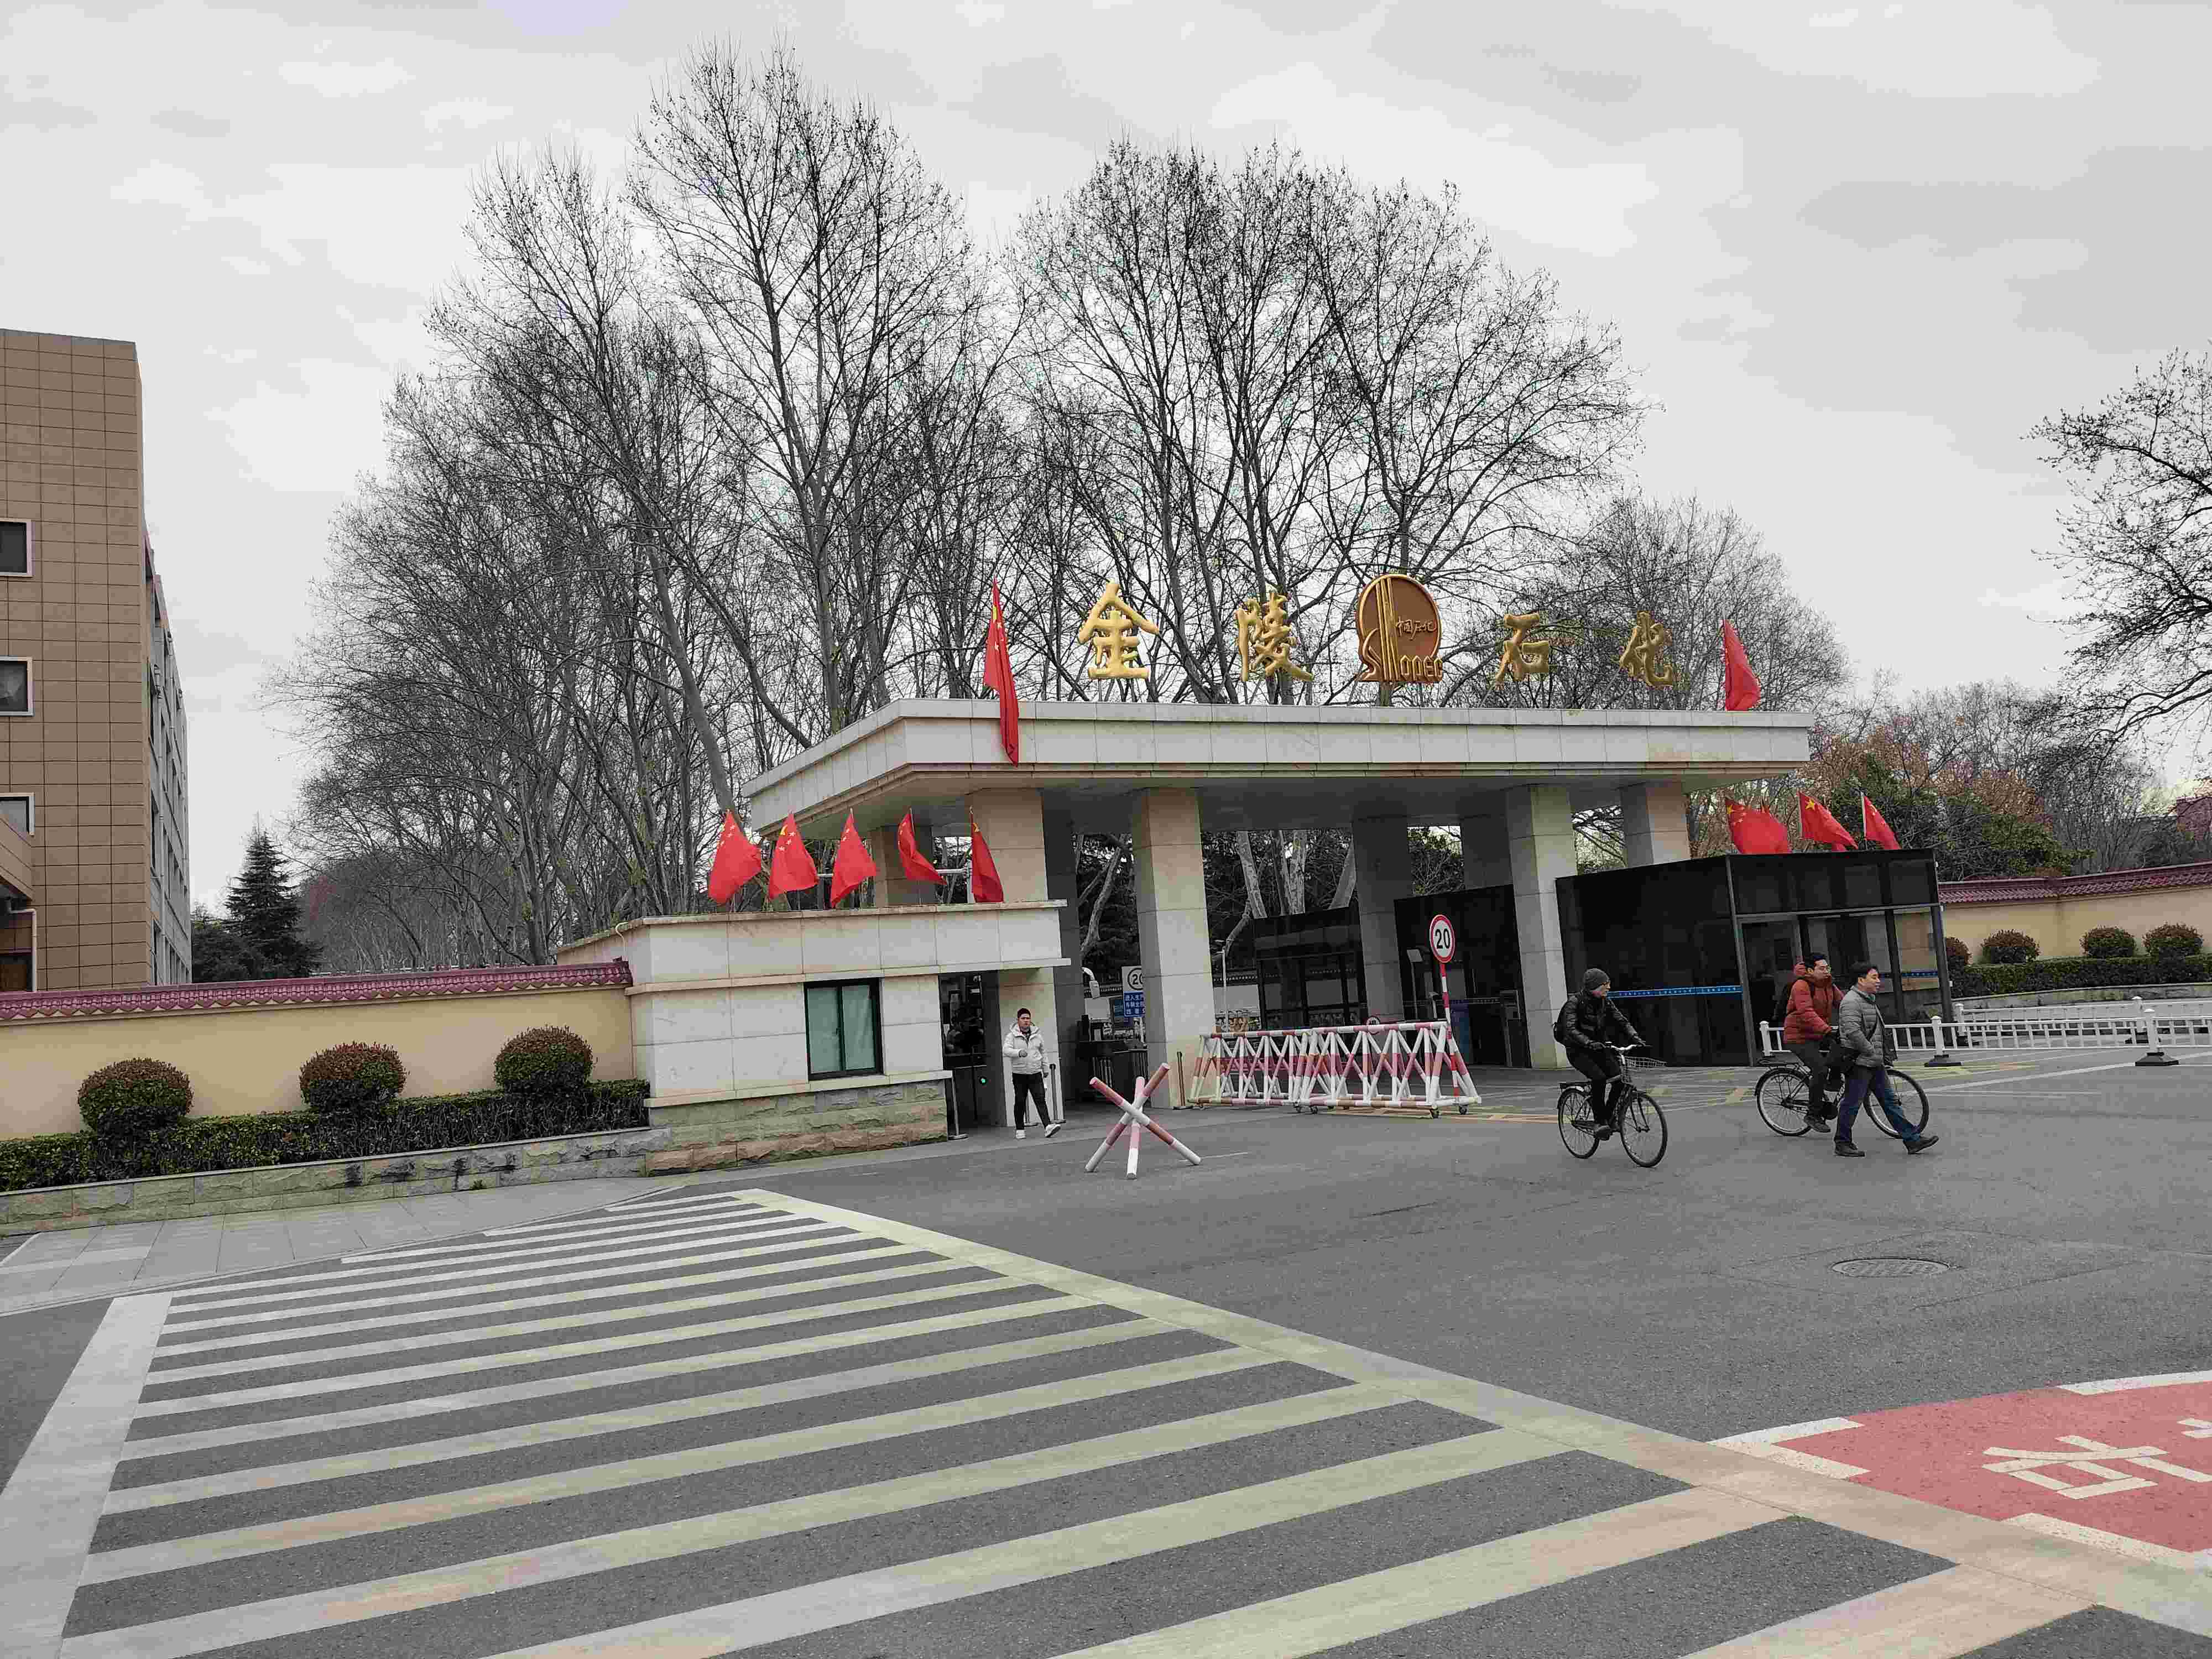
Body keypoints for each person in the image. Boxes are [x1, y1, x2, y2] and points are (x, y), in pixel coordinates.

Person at [1832, 963, 1939, 1158]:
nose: (1878, 981)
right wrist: (1870, 1049)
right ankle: (1842, 1142)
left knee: (1890, 1101)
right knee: (1852, 1104)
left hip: (1874, 1062)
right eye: (1874, 977)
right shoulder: (1851, 1002)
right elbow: (1852, 1031)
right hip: (1859, 1063)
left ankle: (1912, 1140)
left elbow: (1877, 1030)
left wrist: (1881, 1054)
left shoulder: (1868, 1000)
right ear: (1861, 980)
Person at [1560, 968, 1642, 1138]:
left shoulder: (1605, 1001)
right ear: (1594, 986)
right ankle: (1600, 1122)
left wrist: (1634, 1036)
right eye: (1606, 984)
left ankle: (1609, 1118)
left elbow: (1621, 1020)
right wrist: (1588, 1043)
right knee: (1599, 1078)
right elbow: (1571, 1029)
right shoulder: (1574, 1003)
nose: (1609, 988)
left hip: (1599, 1047)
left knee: (1620, 1080)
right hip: (1578, 1050)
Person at [1780, 956, 1842, 1127]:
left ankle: (1832, 1082)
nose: (1826, 971)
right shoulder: (1801, 985)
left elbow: (1844, 1005)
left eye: (1827, 968)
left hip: (1818, 1033)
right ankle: (1813, 1114)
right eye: (1822, 968)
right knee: (1820, 1070)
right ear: (1810, 971)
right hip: (1798, 1037)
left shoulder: (1829, 985)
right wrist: (1827, 1030)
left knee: (1843, 1047)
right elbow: (1806, 1012)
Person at [1004, 1007, 1058, 1139]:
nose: (1026, 1021)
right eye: (1023, 1018)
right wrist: (1018, 1053)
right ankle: (1020, 1129)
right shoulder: (1012, 1036)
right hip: (1019, 1074)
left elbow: (1043, 1052)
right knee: (1020, 1101)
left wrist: (1045, 1068)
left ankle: (1048, 1126)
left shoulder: (1037, 1035)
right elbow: (1006, 1050)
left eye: (1028, 1018)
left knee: (1040, 1100)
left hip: (1035, 1073)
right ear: (1018, 1020)